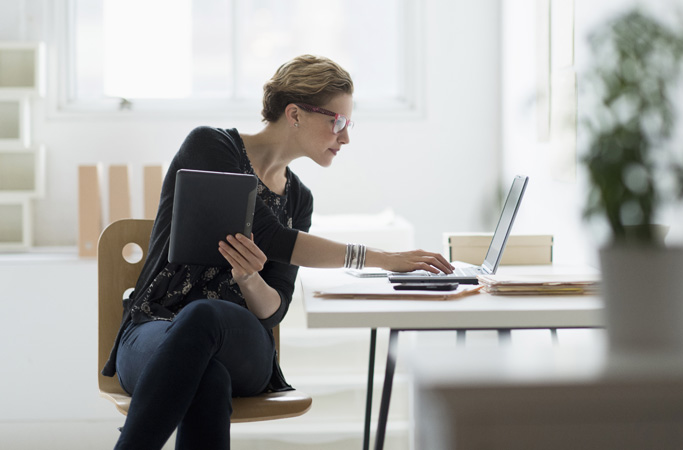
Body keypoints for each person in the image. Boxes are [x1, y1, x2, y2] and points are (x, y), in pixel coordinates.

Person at [103, 54, 454, 450]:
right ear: (295, 114)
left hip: (242, 346)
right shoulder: (209, 146)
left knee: (205, 317)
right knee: (208, 378)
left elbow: (274, 308)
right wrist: (384, 258)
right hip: (153, 328)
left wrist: (250, 279)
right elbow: (268, 235)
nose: (346, 137)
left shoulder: (300, 199)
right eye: (337, 122)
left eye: (348, 124)